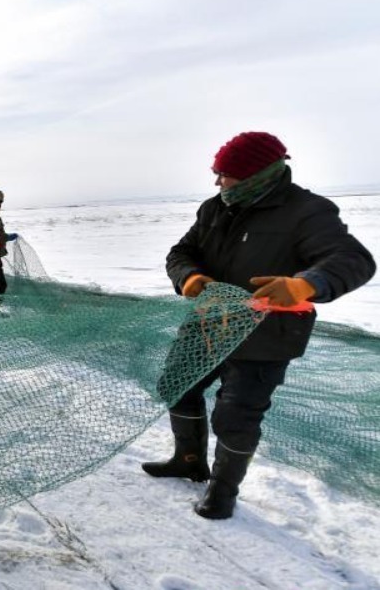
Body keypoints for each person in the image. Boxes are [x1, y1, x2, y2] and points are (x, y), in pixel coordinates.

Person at [152, 131, 375, 520]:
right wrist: (189, 277)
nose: (218, 182)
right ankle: (188, 460)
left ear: (257, 174)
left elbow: (353, 260)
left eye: (226, 174)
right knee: (177, 385)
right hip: (210, 323)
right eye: (217, 173)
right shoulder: (214, 208)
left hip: (267, 333)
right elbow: (181, 252)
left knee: (235, 416)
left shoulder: (308, 211)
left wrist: (306, 283)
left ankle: (222, 493)